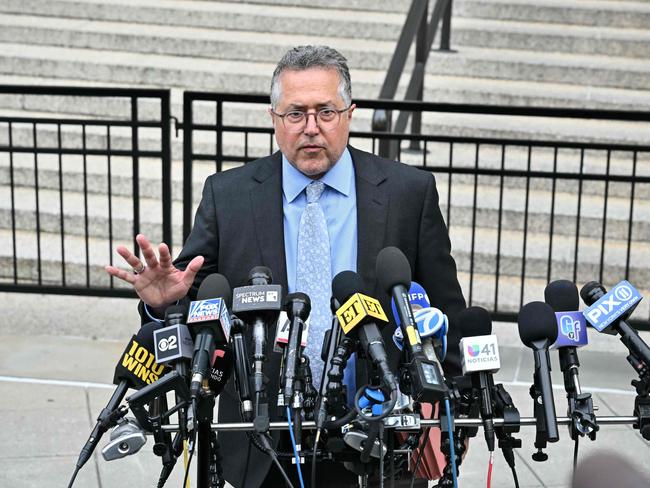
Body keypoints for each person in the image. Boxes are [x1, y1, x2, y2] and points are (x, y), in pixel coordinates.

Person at [106, 45, 466, 488]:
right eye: (296, 113)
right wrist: (164, 307)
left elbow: (447, 315)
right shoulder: (229, 196)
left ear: (350, 114)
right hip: (260, 440)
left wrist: (453, 418)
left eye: (326, 112)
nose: (311, 128)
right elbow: (198, 307)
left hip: (379, 438)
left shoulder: (409, 193)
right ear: (274, 118)